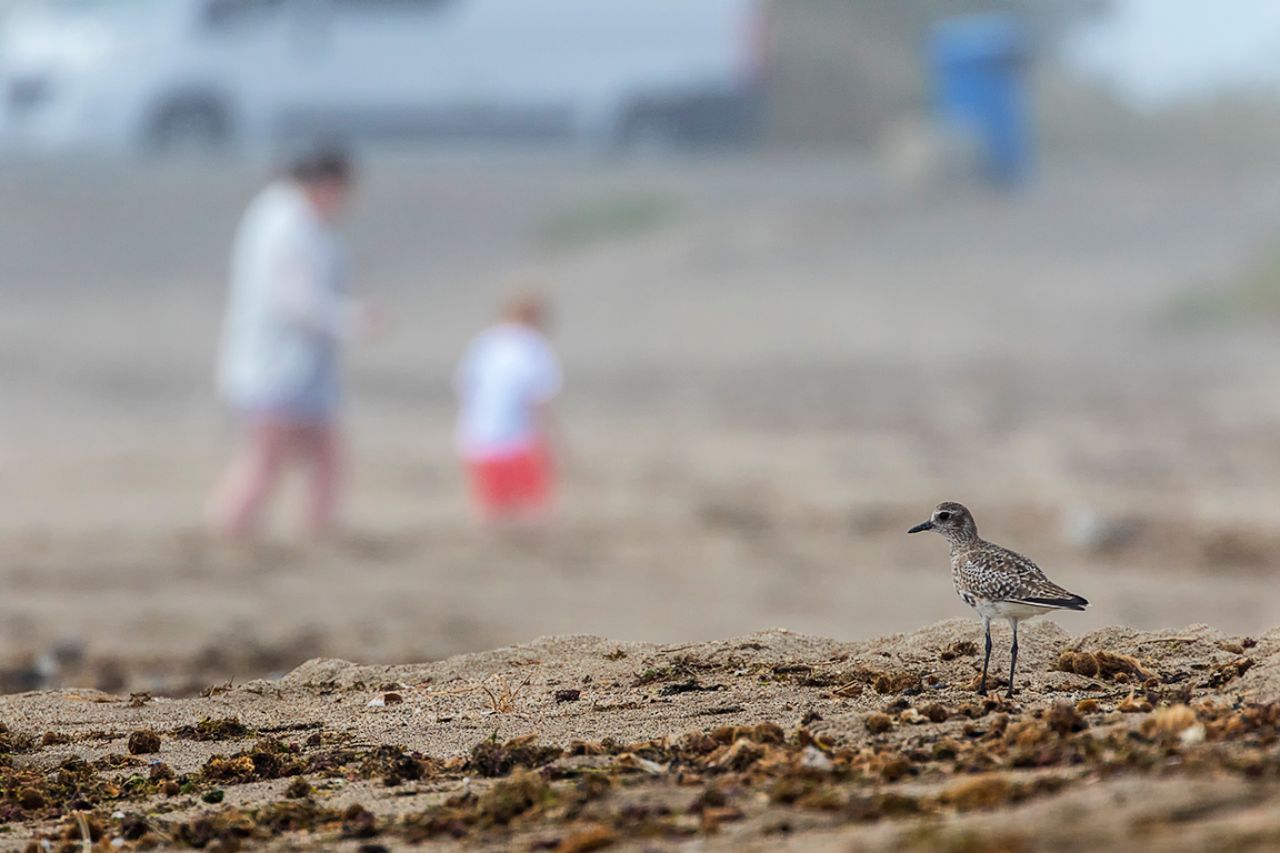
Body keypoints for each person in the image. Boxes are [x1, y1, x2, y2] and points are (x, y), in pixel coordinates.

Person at [208, 149, 370, 538]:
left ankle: (317, 532)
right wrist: (349, 319)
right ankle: (229, 532)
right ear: (328, 185)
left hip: (295, 365)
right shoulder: (286, 224)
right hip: (275, 365)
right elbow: (294, 300)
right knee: (266, 458)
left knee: (325, 454)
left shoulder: (286, 217)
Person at [455, 293, 563, 522]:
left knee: (493, 509)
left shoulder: (485, 343)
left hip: (478, 436)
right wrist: (555, 440)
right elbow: (538, 400)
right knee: (535, 508)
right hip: (518, 438)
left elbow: (466, 388)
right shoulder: (534, 346)